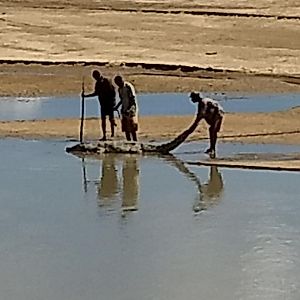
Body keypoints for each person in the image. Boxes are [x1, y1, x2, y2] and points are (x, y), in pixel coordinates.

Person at [82, 70, 116, 141]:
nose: (96, 78)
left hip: (109, 103)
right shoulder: (97, 83)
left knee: (111, 119)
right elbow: (96, 93)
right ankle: (104, 135)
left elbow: (113, 92)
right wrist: (86, 96)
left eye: (96, 76)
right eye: (94, 77)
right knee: (103, 120)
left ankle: (113, 134)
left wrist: (113, 103)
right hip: (102, 104)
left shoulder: (107, 81)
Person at [189, 91, 224, 158]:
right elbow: (200, 115)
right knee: (212, 130)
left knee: (212, 130)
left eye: (192, 98)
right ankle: (212, 148)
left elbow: (201, 114)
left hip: (218, 114)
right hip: (213, 114)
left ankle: (212, 148)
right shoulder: (201, 103)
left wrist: (193, 126)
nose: (191, 100)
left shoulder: (203, 102)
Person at [114, 75, 138, 142]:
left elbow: (132, 99)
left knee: (132, 128)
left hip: (131, 109)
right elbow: (122, 99)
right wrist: (117, 106)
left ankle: (135, 142)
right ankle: (128, 142)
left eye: (119, 83)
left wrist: (129, 109)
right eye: (117, 84)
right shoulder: (119, 89)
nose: (118, 85)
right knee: (126, 128)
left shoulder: (128, 86)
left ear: (121, 80)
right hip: (124, 109)